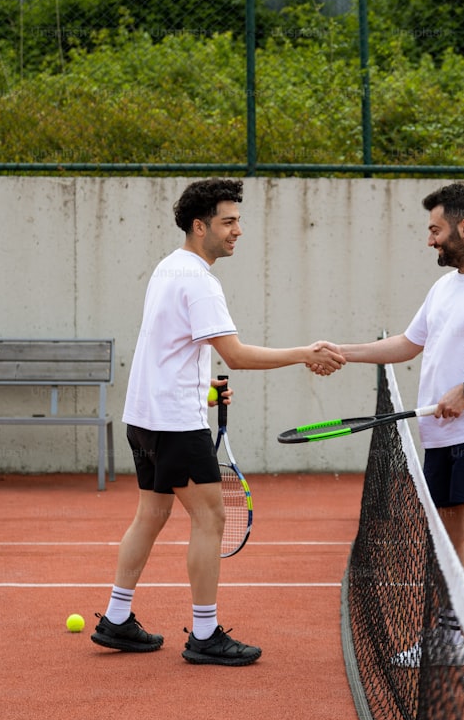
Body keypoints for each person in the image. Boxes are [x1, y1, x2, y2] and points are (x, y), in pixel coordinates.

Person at [92, 178, 345, 667]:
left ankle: (116, 619)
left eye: (238, 221)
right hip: (173, 425)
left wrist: (201, 391)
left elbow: (172, 349)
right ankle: (205, 634)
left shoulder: (169, 268)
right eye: (229, 222)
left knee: (152, 514)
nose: (238, 231)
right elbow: (236, 355)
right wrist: (303, 354)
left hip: (144, 418)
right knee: (211, 517)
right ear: (199, 226)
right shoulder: (199, 280)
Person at [319, 183, 464, 683]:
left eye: (435, 230)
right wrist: (344, 352)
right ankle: (447, 635)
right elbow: (408, 344)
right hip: (439, 436)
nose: (430, 241)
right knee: (446, 541)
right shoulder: (443, 288)